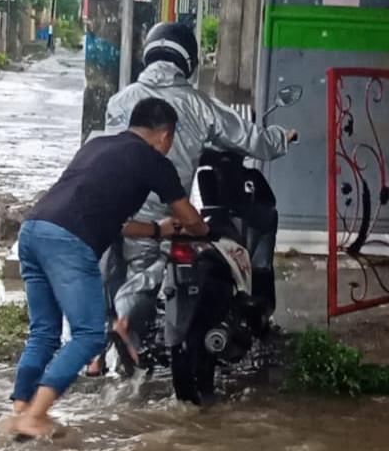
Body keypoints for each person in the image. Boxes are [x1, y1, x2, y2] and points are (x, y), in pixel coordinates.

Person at [10, 97, 208, 440]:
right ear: (165, 136)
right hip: (68, 243)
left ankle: (21, 413)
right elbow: (190, 218)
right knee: (88, 336)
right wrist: (203, 230)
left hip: (33, 230)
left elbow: (110, 222)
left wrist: (157, 230)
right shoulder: (154, 161)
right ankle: (36, 416)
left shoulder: (97, 145)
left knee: (43, 332)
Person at [101, 22, 298, 356]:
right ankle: (125, 327)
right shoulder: (197, 103)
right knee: (148, 270)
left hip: (112, 204)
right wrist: (282, 137)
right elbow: (247, 137)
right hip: (161, 209)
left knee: (112, 268)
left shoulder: (120, 100)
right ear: (188, 62)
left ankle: (103, 351)